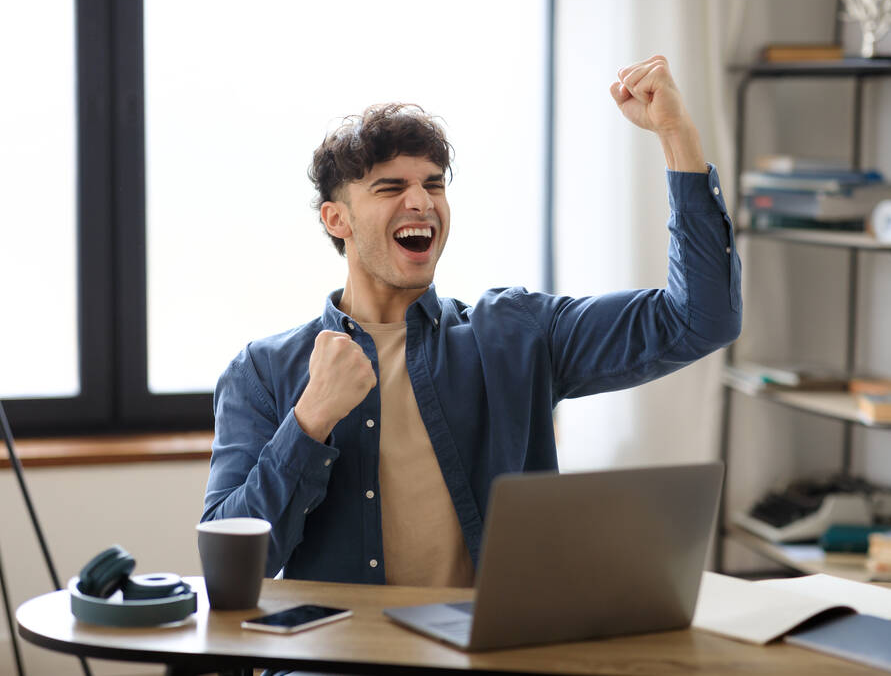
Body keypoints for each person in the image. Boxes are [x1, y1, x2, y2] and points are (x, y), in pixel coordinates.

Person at [201, 55, 742, 587]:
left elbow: (699, 319)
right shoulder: (263, 372)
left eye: (434, 185)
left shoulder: (516, 333)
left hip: (483, 654)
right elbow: (233, 561)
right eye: (390, 187)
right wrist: (310, 420)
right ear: (336, 218)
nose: (421, 201)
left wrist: (677, 136)